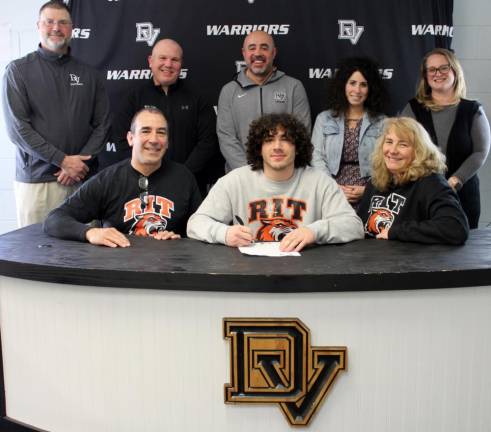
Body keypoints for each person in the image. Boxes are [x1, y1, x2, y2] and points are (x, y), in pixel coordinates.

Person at [2, 0, 110, 227]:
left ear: (72, 28)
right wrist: (62, 160)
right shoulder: (18, 71)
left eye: (63, 22)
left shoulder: (90, 75)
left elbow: (103, 125)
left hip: (83, 180)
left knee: (83, 257)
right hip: (39, 182)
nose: (56, 27)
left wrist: (78, 165)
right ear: (38, 25)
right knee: (36, 255)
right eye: (49, 21)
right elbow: (18, 130)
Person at [187, 113, 364, 252]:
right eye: (269, 140)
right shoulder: (234, 181)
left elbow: (354, 226)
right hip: (248, 273)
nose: (277, 146)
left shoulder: (320, 182)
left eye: (285, 139)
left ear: (298, 147)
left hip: (306, 274)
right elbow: (195, 223)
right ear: (259, 148)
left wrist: (314, 231)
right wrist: (224, 233)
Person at [44, 107, 201, 248]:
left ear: (167, 142)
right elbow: (54, 220)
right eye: (145, 131)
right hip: (118, 271)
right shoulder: (108, 180)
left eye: (161, 132)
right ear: (130, 138)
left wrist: (180, 239)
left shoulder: (184, 178)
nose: (154, 140)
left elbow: (201, 227)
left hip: (170, 271)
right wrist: (90, 233)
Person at [111, 38, 223, 195]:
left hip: (189, 185)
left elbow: (208, 141)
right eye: (163, 58)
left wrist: (183, 174)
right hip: (143, 186)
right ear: (151, 61)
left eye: (174, 59)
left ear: (181, 64)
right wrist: (143, 171)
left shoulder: (198, 98)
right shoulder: (134, 98)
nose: (168, 64)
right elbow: (122, 140)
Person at [401, 48, 490, 228]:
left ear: (455, 71)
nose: (438, 73)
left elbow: (480, 152)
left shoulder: (472, 110)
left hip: (463, 194)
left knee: (462, 251)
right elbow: (403, 147)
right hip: (421, 194)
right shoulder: (412, 109)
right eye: (432, 69)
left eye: (444, 68)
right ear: (425, 76)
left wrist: (457, 180)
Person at [357, 117, 469, 245]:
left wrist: (395, 232)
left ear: (419, 151)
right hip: (369, 260)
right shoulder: (375, 181)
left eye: (403, 144)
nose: (392, 151)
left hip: (406, 262)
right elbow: (361, 227)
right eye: (389, 142)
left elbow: (455, 228)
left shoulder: (432, 184)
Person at [217, 31, 311, 172]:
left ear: (273, 53)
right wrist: (250, 172)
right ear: (244, 53)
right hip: (241, 177)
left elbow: (301, 133)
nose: (258, 53)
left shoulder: (294, 87)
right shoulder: (229, 91)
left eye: (264, 47)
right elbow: (226, 138)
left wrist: (277, 169)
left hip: (283, 174)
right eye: (252, 48)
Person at [311, 57, 387, 206]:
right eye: (352, 83)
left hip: (369, 192)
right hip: (330, 191)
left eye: (363, 85)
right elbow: (316, 156)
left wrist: (368, 190)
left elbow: (386, 162)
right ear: (343, 86)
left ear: (371, 89)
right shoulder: (324, 118)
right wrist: (333, 188)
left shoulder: (382, 121)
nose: (357, 90)